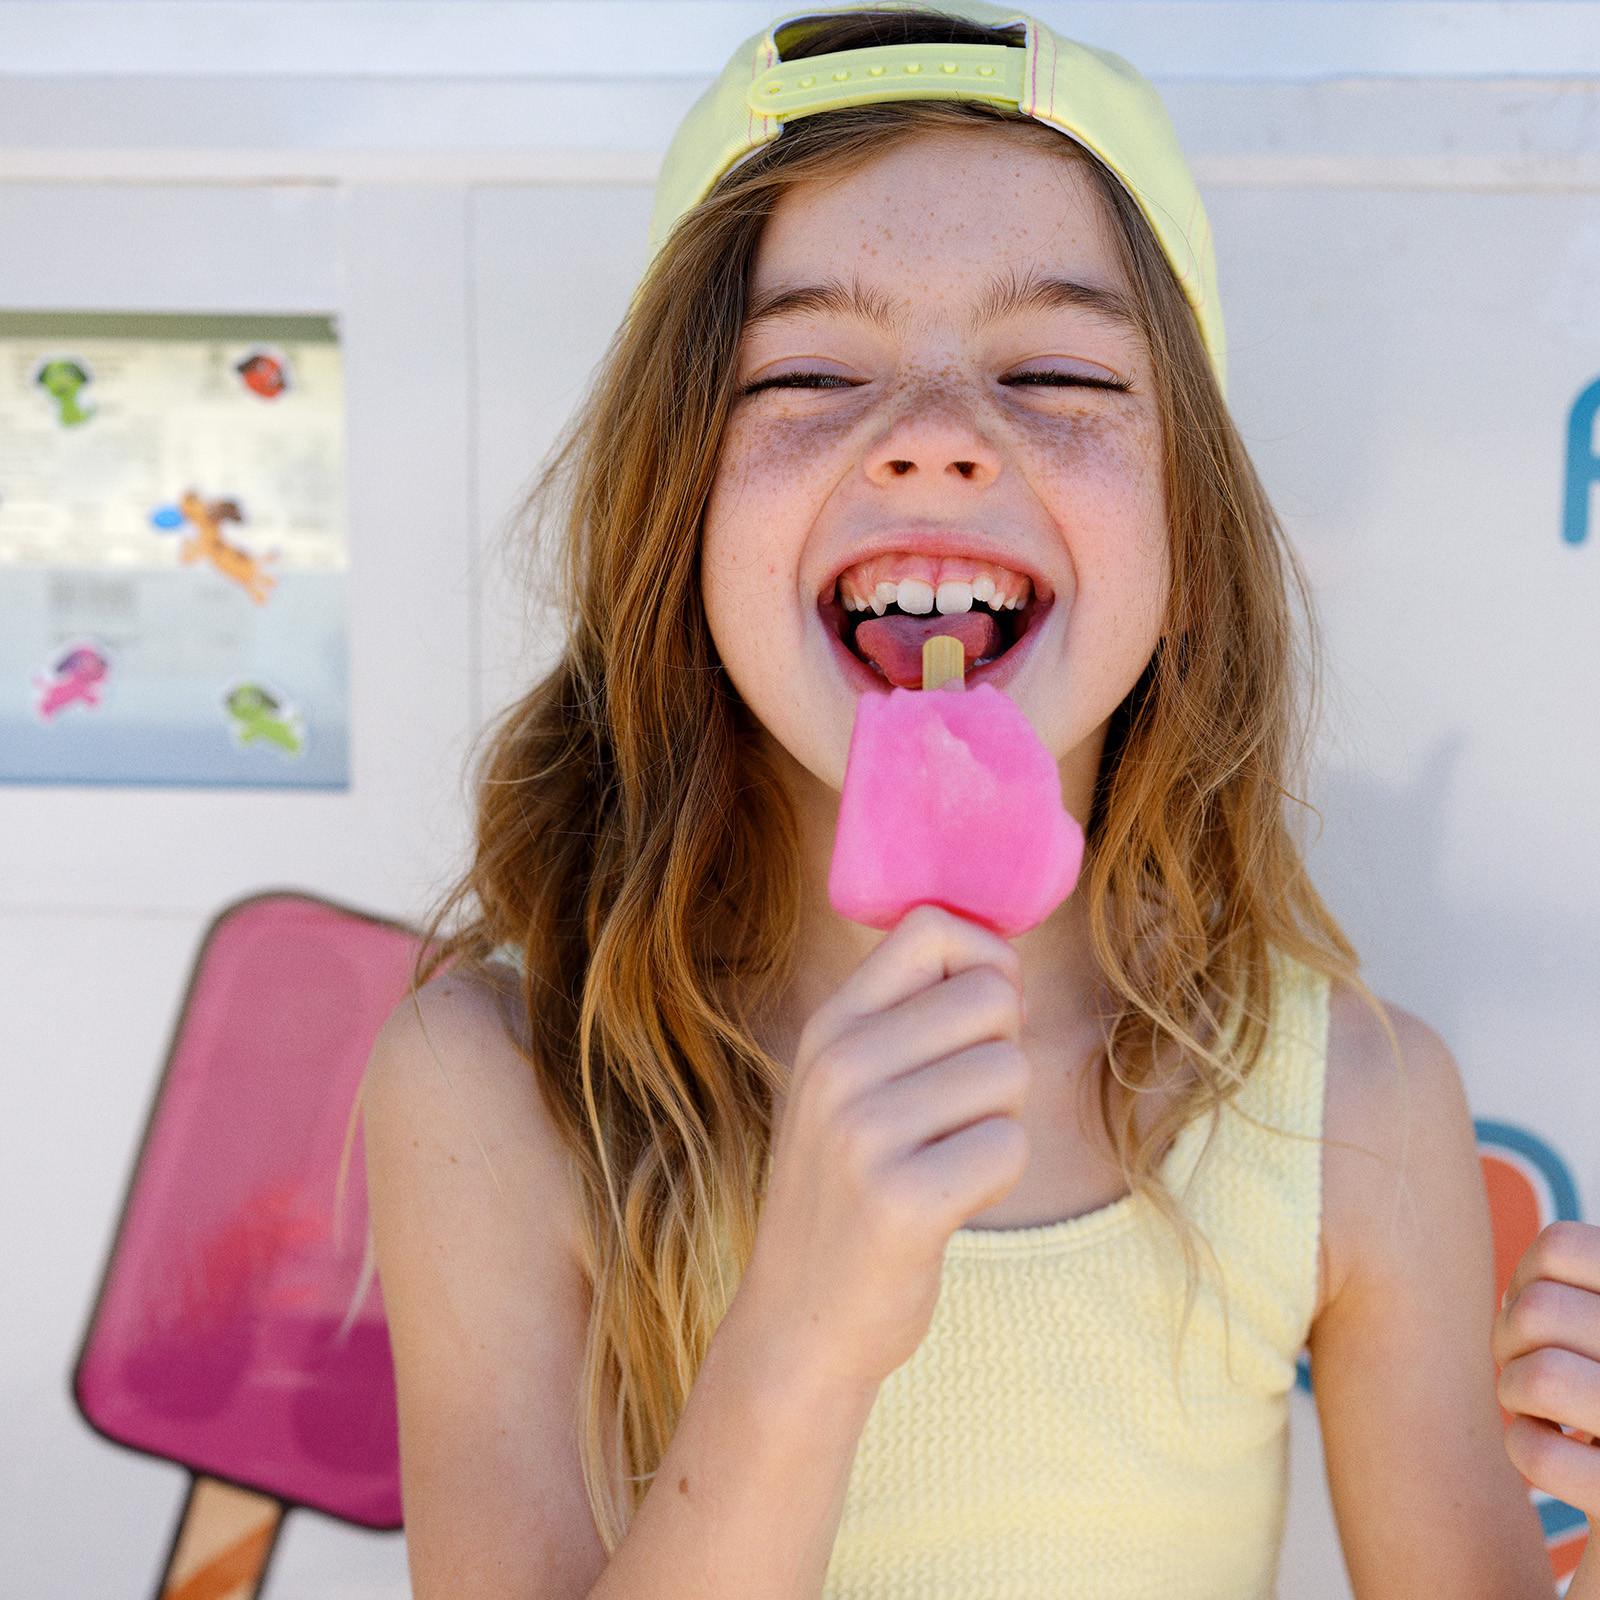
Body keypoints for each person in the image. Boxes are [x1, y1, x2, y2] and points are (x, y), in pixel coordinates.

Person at [353, 4, 1565, 1595]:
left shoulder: (1358, 1108)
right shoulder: (500, 1091)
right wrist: (801, 1336)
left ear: (1189, 540)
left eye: (1056, 368)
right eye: (807, 370)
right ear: (675, 510)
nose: (933, 441)